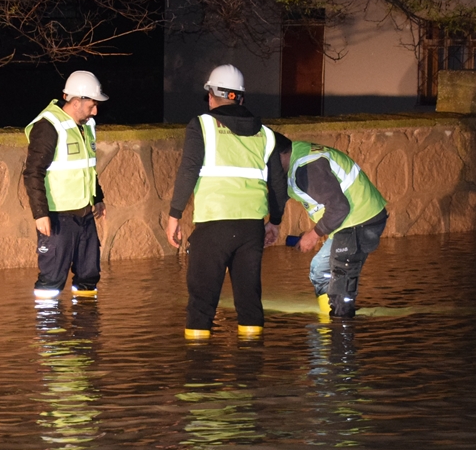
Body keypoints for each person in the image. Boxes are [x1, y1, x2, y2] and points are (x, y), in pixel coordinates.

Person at [164, 65, 287, 340]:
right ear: (241, 98)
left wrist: (175, 215)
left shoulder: (203, 125)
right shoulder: (266, 134)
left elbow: (189, 170)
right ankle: (251, 371)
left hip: (213, 226)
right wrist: (275, 222)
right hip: (251, 228)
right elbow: (278, 184)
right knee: (250, 303)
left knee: (202, 305)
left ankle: (198, 375)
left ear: (211, 96)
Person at [276, 135, 388, 320]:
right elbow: (281, 193)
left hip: (359, 221)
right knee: (319, 270)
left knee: (341, 279)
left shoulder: (306, 167)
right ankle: (328, 320)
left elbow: (339, 208)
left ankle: (341, 327)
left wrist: (313, 235)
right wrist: (273, 223)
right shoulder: (296, 154)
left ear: (279, 155)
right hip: (349, 222)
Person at [23, 71, 108, 300]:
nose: (95, 111)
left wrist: (97, 197)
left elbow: (87, 166)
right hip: (57, 218)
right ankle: (50, 331)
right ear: (77, 101)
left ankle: (86, 332)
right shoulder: (48, 126)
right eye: (92, 105)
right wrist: (40, 214)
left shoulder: (86, 125)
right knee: (51, 281)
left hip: (85, 215)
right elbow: (32, 173)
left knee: (89, 276)